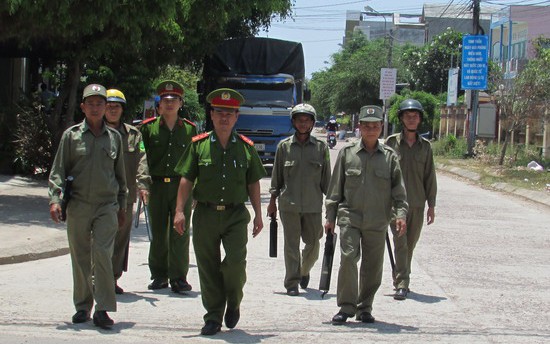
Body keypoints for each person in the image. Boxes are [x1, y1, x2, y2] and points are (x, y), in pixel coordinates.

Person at [173, 88, 266, 336]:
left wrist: (258, 214)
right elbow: (186, 180)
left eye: (229, 113)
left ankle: (233, 301)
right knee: (208, 267)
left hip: (235, 215)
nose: (224, 118)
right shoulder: (198, 146)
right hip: (205, 213)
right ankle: (213, 316)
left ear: (237, 117)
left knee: (235, 263)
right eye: (219, 112)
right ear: (212, 115)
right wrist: (179, 211)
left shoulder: (246, 148)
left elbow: (253, 183)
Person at [48, 83, 127, 329]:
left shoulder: (114, 138)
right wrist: (54, 200)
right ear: (83, 107)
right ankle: (83, 306)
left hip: (106, 206)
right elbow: (58, 172)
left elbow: (121, 177)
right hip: (79, 204)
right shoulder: (71, 136)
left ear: (106, 107)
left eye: (100, 103)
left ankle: (103, 308)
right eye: (90, 103)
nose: (95, 108)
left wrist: (122, 207)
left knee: (102, 253)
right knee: (80, 255)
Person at [324, 105, 408, 325]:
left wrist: (401, 214)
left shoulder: (390, 157)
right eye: (366, 125)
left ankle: (364, 307)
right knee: (349, 259)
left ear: (381, 127)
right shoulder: (347, 154)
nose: (371, 129)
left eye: (375, 125)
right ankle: (346, 306)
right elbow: (335, 189)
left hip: (377, 220)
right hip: (349, 217)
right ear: (359, 127)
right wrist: (330, 217)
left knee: (372, 266)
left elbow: (399, 191)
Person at [267, 103, 331, 296]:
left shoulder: (321, 148)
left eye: (307, 120)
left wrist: (333, 208)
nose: (303, 124)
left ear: (312, 123)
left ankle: (303, 271)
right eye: (299, 120)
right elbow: (276, 177)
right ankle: (292, 282)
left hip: (313, 205)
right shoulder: (284, 147)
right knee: (291, 245)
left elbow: (327, 181)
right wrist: (272, 202)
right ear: (293, 122)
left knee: (314, 243)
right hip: (289, 205)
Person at [140, 80, 197, 293]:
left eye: (174, 100)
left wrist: (196, 190)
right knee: (158, 232)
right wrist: (142, 184)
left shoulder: (190, 130)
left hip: (181, 186)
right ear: (159, 104)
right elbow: (141, 156)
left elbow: (196, 162)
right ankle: (159, 275)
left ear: (181, 103)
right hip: (156, 186)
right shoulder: (147, 129)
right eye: (165, 100)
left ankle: (179, 277)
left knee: (180, 232)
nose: (170, 103)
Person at [385, 99, 437, 300]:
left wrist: (431, 205)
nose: (412, 119)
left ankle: (400, 275)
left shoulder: (426, 147)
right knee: (401, 243)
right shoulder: (390, 143)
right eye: (408, 115)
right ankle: (402, 283)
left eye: (415, 116)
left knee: (410, 244)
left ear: (420, 119)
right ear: (401, 119)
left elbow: (429, 177)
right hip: (395, 205)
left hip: (417, 203)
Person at [104, 89, 151, 294]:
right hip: (101, 195)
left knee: (120, 240)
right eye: (109, 106)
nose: (113, 110)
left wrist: (143, 184)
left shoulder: (134, 134)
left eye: (117, 106)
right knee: (100, 238)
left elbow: (142, 158)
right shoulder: (95, 131)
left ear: (122, 109)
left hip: (126, 196)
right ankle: (97, 278)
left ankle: (112, 278)